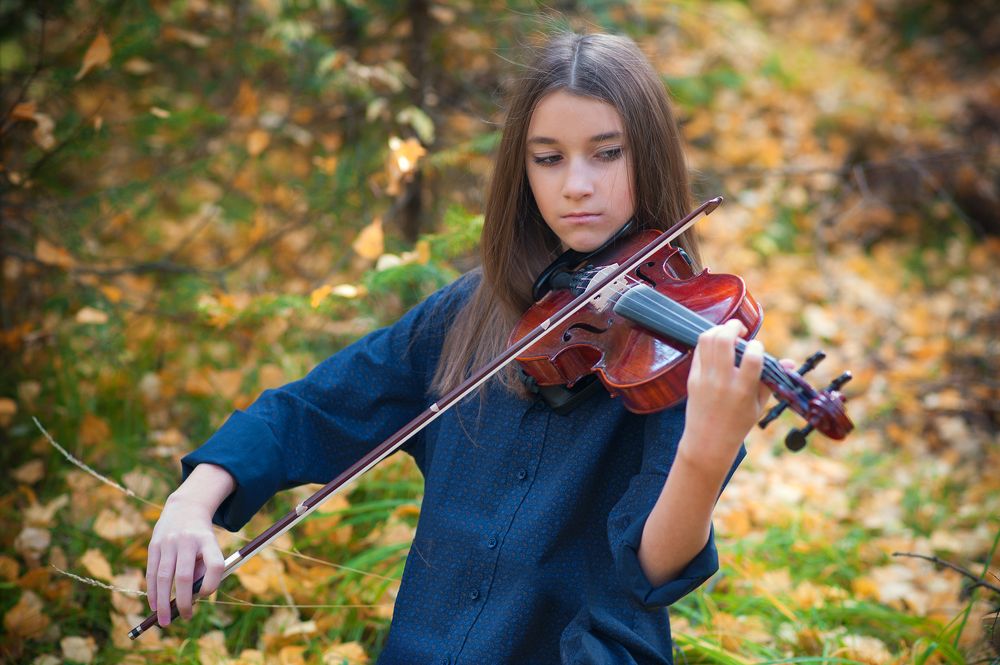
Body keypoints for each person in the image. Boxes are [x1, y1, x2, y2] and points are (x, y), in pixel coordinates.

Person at [145, 31, 780, 664]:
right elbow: (312, 410)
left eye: (606, 153)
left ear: (649, 157)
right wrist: (191, 500)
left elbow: (649, 569)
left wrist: (704, 452)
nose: (576, 186)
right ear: (522, 170)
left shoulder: (681, 346)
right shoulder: (470, 315)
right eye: (549, 158)